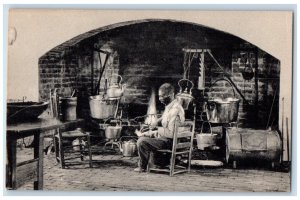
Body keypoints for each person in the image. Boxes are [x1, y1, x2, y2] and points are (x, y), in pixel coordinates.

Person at [134, 83, 185, 172]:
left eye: (163, 96)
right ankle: (159, 163)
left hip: (171, 142)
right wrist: (156, 122)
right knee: (145, 135)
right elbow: (166, 116)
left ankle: (142, 167)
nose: (160, 98)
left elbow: (171, 133)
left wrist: (156, 129)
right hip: (167, 138)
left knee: (141, 142)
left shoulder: (175, 110)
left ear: (172, 95)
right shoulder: (172, 105)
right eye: (160, 96)